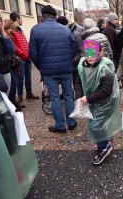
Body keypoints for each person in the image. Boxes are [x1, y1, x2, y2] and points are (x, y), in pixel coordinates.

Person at [29, 5, 77, 133]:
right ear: (55, 17)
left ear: (42, 17)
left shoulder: (36, 30)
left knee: (55, 97)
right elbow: (74, 48)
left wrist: (42, 66)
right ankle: (71, 122)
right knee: (68, 96)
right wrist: (68, 61)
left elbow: (33, 54)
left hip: (48, 70)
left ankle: (60, 126)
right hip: (66, 68)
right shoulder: (66, 30)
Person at [74, 40, 121, 165]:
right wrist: (79, 98)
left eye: (93, 53)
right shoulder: (82, 66)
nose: (90, 56)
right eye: (87, 53)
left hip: (105, 101)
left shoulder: (104, 68)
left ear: (100, 53)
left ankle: (103, 149)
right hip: (91, 99)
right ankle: (104, 142)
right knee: (98, 123)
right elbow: (78, 82)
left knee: (95, 125)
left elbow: (105, 90)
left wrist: (87, 98)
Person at [10, 11, 39, 103]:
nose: (22, 20)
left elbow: (25, 43)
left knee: (28, 76)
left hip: (27, 57)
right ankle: (19, 95)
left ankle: (29, 93)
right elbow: (13, 45)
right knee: (20, 78)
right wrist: (21, 52)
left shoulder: (20, 30)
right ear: (17, 19)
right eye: (21, 18)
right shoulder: (12, 31)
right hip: (20, 59)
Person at [3, 19, 25, 111]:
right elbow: (12, 48)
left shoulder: (10, 35)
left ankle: (14, 102)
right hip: (9, 63)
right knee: (13, 84)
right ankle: (12, 104)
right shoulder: (5, 36)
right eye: (11, 28)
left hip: (13, 63)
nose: (13, 30)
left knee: (15, 82)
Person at [69, 21, 84, 86]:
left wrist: (73, 60)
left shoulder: (76, 33)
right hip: (76, 62)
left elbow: (81, 50)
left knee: (77, 83)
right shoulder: (74, 31)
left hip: (77, 63)